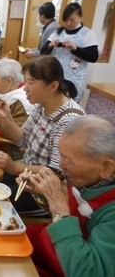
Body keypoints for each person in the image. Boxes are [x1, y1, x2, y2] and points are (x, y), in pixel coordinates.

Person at [20, 115, 115, 277]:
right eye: (61, 155)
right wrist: (43, 195)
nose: (61, 166)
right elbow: (71, 214)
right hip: (49, 249)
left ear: (106, 167)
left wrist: (59, 209)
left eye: (68, 160)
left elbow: (89, 272)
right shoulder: (88, 179)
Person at [0, 55, 85, 216]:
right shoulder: (41, 106)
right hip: (25, 174)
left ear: (53, 86)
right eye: (25, 81)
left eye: (31, 82)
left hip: (43, 192)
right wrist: (6, 117)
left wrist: (13, 167)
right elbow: (23, 139)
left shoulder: (69, 120)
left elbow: (55, 173)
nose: (25, 87)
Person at [41, 2, 99, 102]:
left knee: (69, 108)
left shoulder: (88, 34)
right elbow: (43, 52)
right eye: (66, 20)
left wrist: (75, 48)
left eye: (72, 20)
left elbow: (93, 57)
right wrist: (50, 45)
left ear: (80, 17)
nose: (68, 23)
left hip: (74, 79)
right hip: (55, 76)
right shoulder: (58, 32)